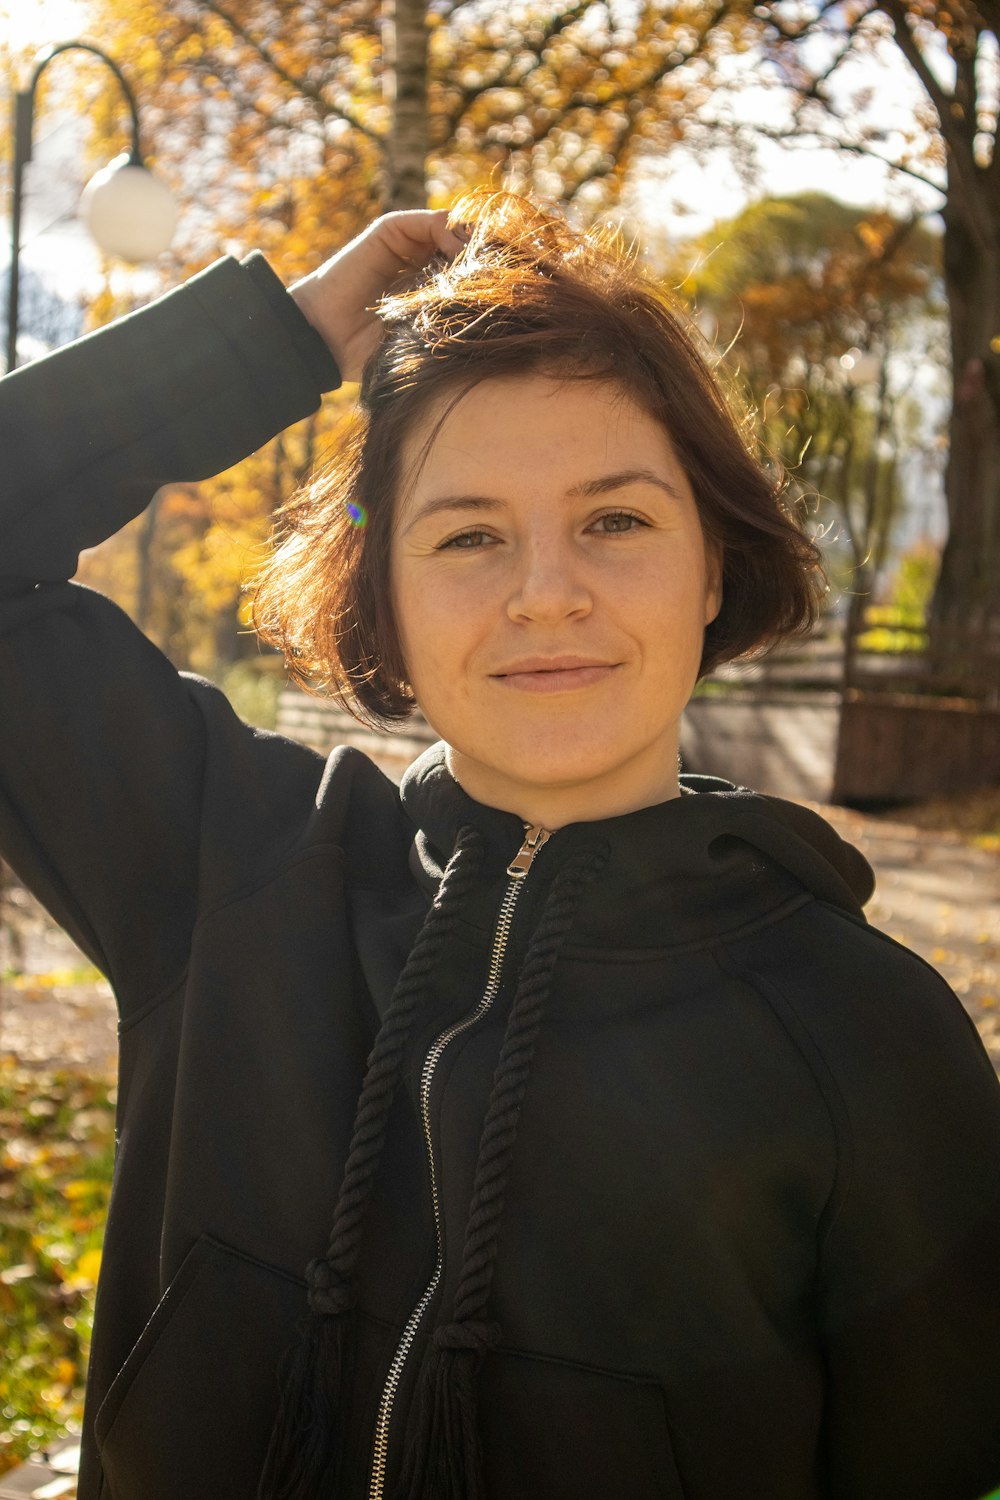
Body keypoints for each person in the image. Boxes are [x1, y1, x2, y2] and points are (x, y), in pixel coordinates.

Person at [1, 190, 999, 1500]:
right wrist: (274, 341)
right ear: (385, 602)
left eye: (618, 520)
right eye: (469, 535)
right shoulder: (228, 867)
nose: (547, 592)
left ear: (712, 566)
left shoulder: (874, 1036)